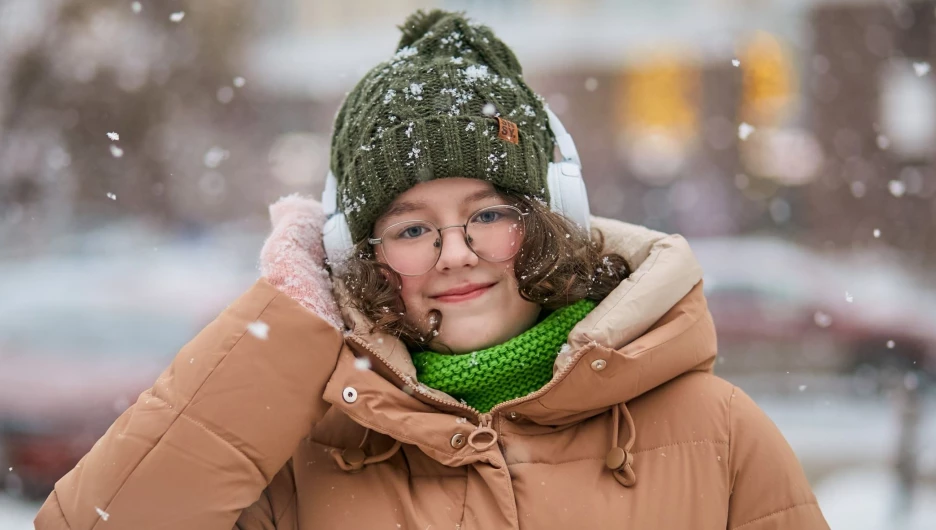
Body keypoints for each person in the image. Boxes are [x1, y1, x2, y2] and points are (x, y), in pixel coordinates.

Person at [35, 9, 829, 530]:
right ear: (360, 255)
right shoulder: (305, 461)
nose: (456, 253)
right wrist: (285, 324)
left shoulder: (717, 433)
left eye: (489, 214)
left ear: (550, 221)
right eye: (412, 228)